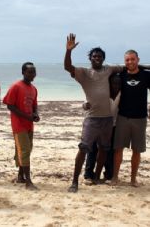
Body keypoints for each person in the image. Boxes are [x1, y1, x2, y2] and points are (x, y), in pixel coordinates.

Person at [64, 33, 123, 192]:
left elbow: (128, 68)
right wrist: (68, 51)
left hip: (108, 120)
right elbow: (68, 67)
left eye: (100, 56)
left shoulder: (109, 69)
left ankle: (96, 177)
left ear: (103, 58)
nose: (97, 58)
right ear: (90, 58)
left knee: (104, 149)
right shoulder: (84, 73)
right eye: (94, 56)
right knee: (83, 149)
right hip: (92, 119)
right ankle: (74, 182)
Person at [111, 50, 150, 187]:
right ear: (125, 61)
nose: (130, 62)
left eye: (133, 59)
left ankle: (133, 179)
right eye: (127, 60)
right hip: (123, 117)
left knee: (137, 151)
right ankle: (115, 177)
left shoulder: (146, 76)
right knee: (118, 149)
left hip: (140, 119)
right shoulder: (120, 75)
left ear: (138, 59)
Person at [3, 62, 40, 190]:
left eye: (34, 72)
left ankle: (20, 176)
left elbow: (34, 105)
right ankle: (28, 182)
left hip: (29, 125)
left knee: (27, 149)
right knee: (24, 150)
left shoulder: (33, 89)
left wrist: (35, 115)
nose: (32, 74)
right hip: (19, 125)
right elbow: (9, 105)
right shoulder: (16, 86)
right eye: (30, 71)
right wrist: (26, 116)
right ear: (23, 72)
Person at [83, 73, 122, 181]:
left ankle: (108, 175)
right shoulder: (103, 93)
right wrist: (85, 105)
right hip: (98, 124)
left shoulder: (123, 94)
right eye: (114, 83)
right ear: (109, 83)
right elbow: (87, 100)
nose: (116, 86)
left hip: (114, 126)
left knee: (109, 151)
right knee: (93, 150)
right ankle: (89, 174)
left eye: (119, 83)